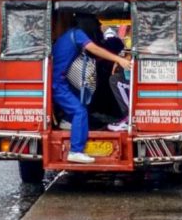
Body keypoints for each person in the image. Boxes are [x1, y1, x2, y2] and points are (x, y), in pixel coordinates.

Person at [52, 14, 131, 164]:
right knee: (79, 112)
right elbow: (94, 49)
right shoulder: (78, 34)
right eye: (97, 25)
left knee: (80, 108)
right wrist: (119, 59)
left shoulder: (67, 35)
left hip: (59, 81)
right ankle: (75, 151)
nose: (99, 29)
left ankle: (67, 122)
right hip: (59, 84)